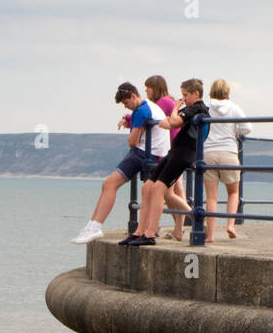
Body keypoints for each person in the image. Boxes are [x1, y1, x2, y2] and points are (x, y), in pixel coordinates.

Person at [71, 82, 170, 244]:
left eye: (126, 103)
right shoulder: (148, 106)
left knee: (110, 184)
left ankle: (95, 228)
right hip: (156, 153)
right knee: (111, 185)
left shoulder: (141, 110)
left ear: (133, 96)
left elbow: (132, 141)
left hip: (145, 153)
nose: (126, 107)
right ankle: (91, 226)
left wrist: (130, 129)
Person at [119, 79, 208, 245]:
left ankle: (150, 234)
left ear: (196, 93)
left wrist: (174, 109)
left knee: (159, 188)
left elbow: (172, 122)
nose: (183, 99)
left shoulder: (198, 108)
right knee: (148, 187)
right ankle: (139, 231)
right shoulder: (189, 109)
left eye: (186, 95)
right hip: (174, 152)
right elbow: (167, 123)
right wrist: (167, 119)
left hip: (183, 155)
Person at [203, 79, 253, 241]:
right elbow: (248, 128)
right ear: (227, 91)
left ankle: (210, 235)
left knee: (211, 197)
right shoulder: (233, 108)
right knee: (233, 192)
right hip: (229, 153)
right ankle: (230, 225)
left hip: (208, 153)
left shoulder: (206, 107)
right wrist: (236, 131)